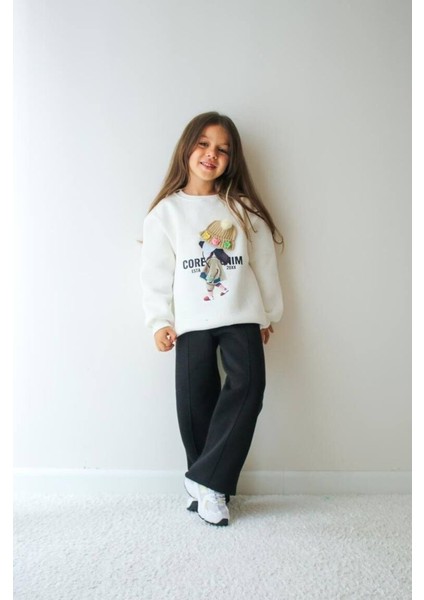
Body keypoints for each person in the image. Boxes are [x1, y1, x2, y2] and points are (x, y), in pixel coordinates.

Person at [140, 111, 283, 526]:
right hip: (190, 320)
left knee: (249, 387)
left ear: (232, 159)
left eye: (223, 149)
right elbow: (155, 273)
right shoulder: (166, 213)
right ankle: (209, 488)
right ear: (187, 148)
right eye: (203, 144)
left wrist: (269, 313)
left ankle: (204, 481)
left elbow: (264, 264)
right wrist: (159, 321)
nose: (211, 154)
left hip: (242, 313)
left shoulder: (242, 208)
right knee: (194, 399)